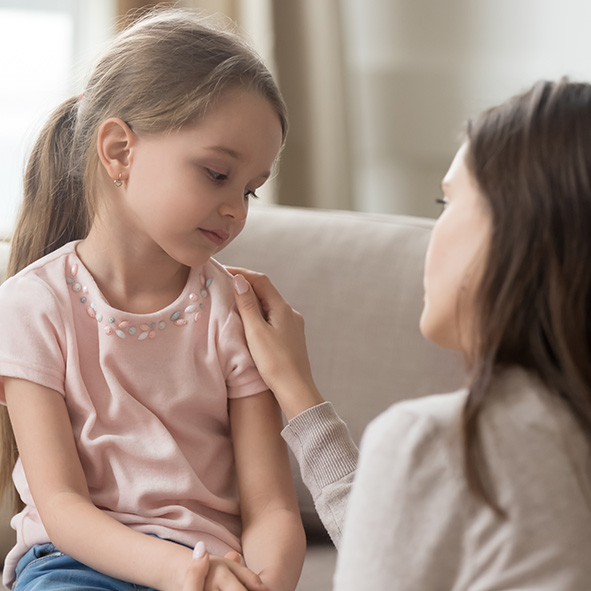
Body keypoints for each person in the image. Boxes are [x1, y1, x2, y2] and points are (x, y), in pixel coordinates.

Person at [228, 78, 591, 589]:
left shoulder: (439, 442)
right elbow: (405, 548)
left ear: (520, 228)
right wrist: (297, 392)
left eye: (447, 204)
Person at [0, 8, 305, 591]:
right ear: (119, 151)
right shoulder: (30, 307)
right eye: (217, 174)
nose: (236, 208)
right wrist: (181, 574)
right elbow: (61, 506)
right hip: (75, 566)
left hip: (214, 567)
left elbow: (272, 510)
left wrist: (261, 582)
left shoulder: (234, 312)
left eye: (250, 190)